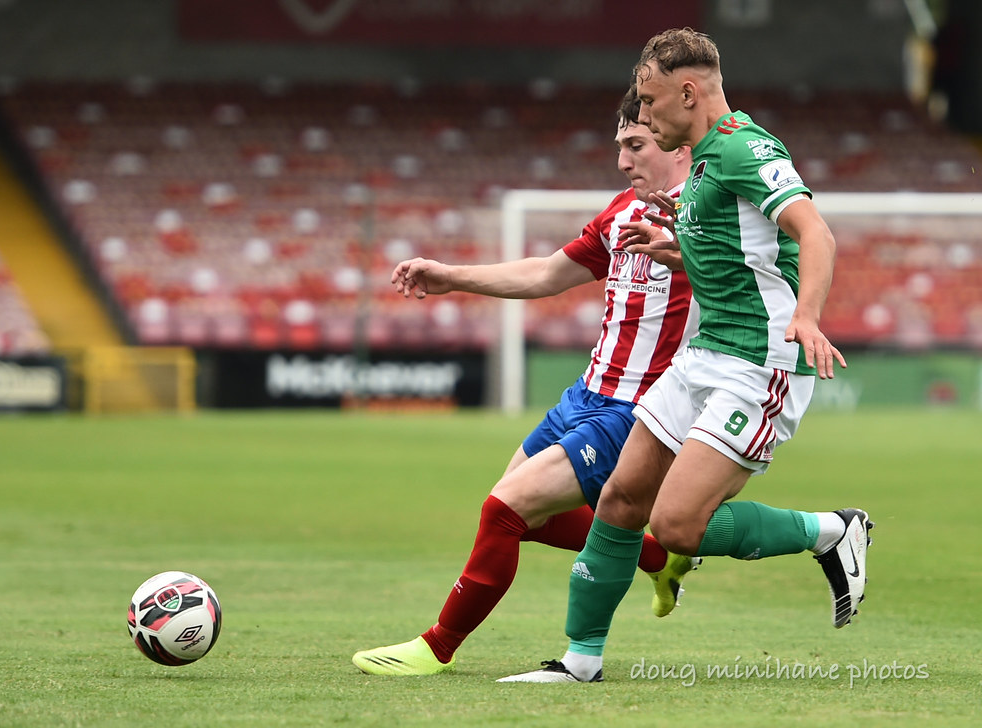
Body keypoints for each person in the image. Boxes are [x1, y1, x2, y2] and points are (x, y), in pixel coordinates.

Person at [499, 28, 873, 684]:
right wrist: (672, 247)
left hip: (759, 365)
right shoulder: (701, 164)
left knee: (676, 527)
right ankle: (579, 662)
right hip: (702, 356)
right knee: (620, 500)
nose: (643, 115)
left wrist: (807, 315)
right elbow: (738, 254)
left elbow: (815, 231)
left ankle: (832, 532)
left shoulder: (744, 149)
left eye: (650, 102)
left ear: (689, 92)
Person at [352, 89, 700, 676]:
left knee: (504, 509)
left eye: (636, 145)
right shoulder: (620, 213)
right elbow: (545, 273)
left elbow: (762, 277)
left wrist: (690, 253)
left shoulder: (711, 217)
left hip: (638, 409)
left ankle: (435, 647)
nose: (622, 159)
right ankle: (656, 555)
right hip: (584, 395)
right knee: (525, 518)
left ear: (679, 149)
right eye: (620, 145)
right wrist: (450, 276)